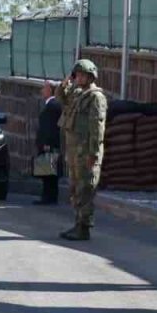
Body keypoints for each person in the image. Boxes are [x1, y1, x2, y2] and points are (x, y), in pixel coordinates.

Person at [59, 59, 107, 241]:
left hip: (86, 150)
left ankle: (84, 227)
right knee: (75, 188)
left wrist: (93, 153)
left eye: (81, 75)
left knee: (85, 189)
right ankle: (78, 223)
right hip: (74, 151)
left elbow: (97, 127)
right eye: (76, 74)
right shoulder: (78, 93)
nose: (78, 77)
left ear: (90, 76)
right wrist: (67, 81)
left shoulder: (96, 97)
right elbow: (60, 98)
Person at [34, 80, 62, 205]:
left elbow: (50, 127)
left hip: (49, 143)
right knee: (46, 170)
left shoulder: (53, 105)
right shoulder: (49, 104)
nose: (42, 91)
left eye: (44, 88)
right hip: (46, 142)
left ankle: (49, 197)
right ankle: (48, 196)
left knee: (49, 171)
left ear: (50, 89)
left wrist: (47, 143)